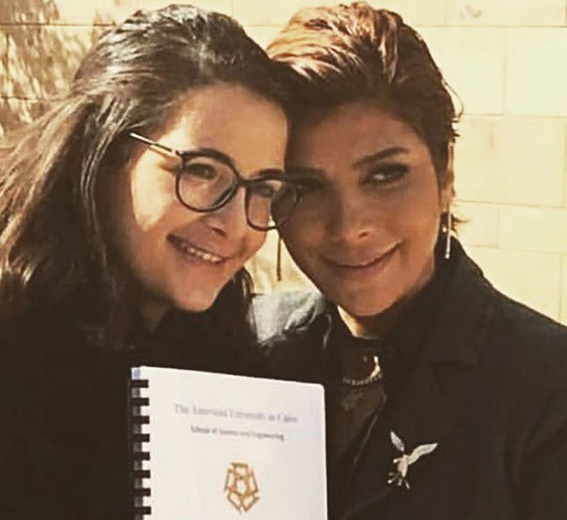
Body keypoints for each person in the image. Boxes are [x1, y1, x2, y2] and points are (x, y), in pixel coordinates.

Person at [252, 3, 567, 519]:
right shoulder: (247, 351)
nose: (349, 226)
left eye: (385, 175)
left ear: (446, 174)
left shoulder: (547, 389)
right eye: (306, 187)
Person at [0, 5, 300, 519]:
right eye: (201, 171)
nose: (235, 224)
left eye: (264, 189)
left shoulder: (226, 359)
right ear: (103, 153)